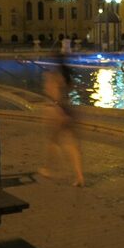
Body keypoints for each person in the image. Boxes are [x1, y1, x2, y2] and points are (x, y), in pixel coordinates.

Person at [38, 57, 84, 187]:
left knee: (52, 141)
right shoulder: (68, 78)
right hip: (68, 110)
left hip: (55, 111)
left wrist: (57, 109)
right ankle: (79, 175)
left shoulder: (53, 77)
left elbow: (53, 95)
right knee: (71, 144)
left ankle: (48, 168)